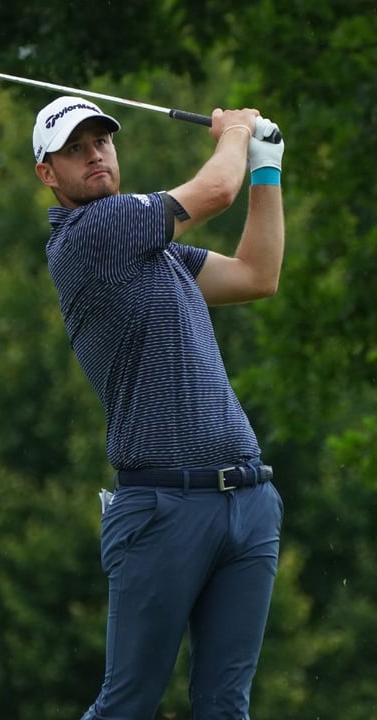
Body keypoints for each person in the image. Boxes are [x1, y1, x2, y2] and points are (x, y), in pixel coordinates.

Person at [33, 94, 286, 719]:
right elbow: (215, 191)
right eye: (74, 148)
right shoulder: (95, 233)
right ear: (47, 173)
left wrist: (267, 167)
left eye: (102, 142)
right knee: (127, 705)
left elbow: (257, 275)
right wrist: (233, 134)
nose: (95, 155)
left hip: (248, 500)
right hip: (162, 509)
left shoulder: (159, 252)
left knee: (226, 708)